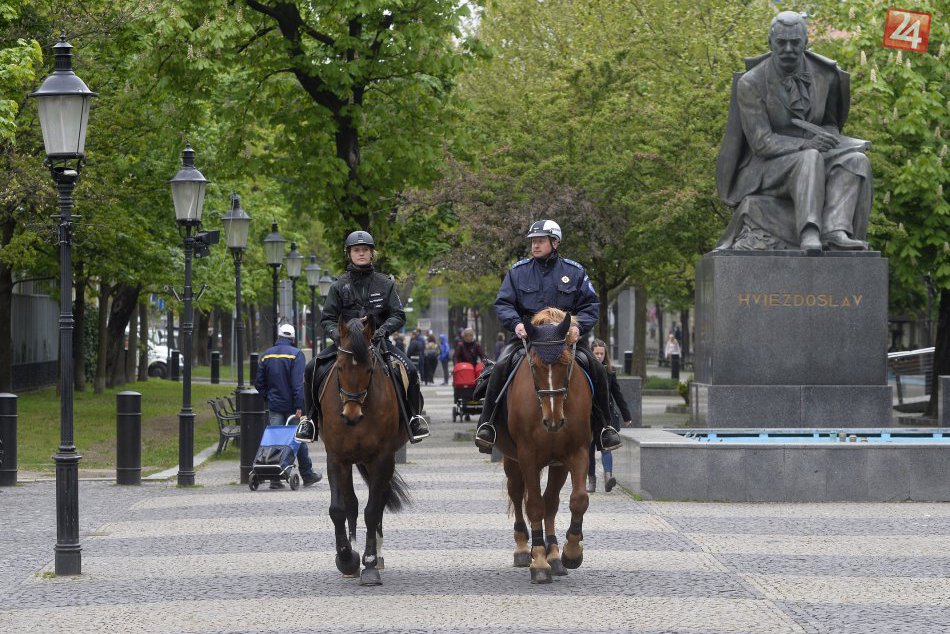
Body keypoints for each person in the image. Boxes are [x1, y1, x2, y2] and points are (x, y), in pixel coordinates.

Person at [716, 11, 871, 252]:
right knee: (808, 158)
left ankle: (835, 229)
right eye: (781, 42)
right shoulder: (751, 82)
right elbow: (761, 142)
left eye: (795, 42)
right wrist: (805, 145)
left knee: (856, 160)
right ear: (770, 44)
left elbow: (830, 122)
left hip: (816, 154)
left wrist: (831, 138)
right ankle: (809, 232)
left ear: (806, 42)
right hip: (768, 166)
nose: (788, 48)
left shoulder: (826, 75)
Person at [474, 219, 623, 453]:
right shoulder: (518, 272)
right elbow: (503, 303)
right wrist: (516, 325)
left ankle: (606, 427)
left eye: (541, 241)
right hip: (528, 338)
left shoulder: (575, 272)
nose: (535, 245)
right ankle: (487, 424)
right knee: (501, 366)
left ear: (555, 242)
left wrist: (578, 328)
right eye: (533, 241)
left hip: (566, 340)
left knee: (596, 367)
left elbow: (591, 305)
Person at [299, 230, 429, 443]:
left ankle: (413, 418)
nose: (361, 254)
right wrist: (338, 335)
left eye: (365, 250)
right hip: (347, 344)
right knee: (311, 368)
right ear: (349, 253)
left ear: (372, 254)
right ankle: (310, 420)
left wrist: (382, 331)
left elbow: (398, 315)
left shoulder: (385, 283)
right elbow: (327, 319)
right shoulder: (338, 285)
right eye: (356, 250)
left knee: (411, 371)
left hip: (378, 343)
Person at [254, 323, 322, 489]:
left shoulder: (266, 355)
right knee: (297, 439)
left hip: (275, 405)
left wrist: (268, 397)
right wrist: (299, 405)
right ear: (292, 338)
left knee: (275, 441)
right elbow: (298, 384)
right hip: (292, 407)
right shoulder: (296, 355)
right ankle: (307, 474)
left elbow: (259, 383)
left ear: (278, 336)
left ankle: (275, 479)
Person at [588, 340, 632, 493]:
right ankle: (591, 481)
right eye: (596, 353)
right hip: (588, 416)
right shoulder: (585, 369)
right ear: (591, 353)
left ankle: (608, 478)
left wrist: (626, 415)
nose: (599, 356)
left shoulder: (610, 372)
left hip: (605, 415)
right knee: (589, 450)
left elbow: (617, 394)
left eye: (602, 353)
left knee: (607, 446)